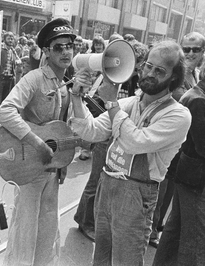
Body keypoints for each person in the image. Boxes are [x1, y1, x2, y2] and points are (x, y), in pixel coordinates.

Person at [69, 40, 191, 265]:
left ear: (174, 77)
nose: (150, 73)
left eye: (160, 70)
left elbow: (135, 142)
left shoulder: (179, 115)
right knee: (102, 259)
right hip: (107, 188)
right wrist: (76, 97)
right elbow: (91, 130)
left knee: (126, 261)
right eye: (148, 66)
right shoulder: (129, 103)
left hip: (136, 196)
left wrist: (112, 103)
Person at [0, 18, 76, 266]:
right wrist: (37, 142)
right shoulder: (34, 78)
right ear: (46, 51)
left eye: (69, 46)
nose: (65, 51)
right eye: (58, 47)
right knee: (25, 231)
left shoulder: (67, 83)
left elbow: (63, 128)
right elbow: (5, 111)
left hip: (51, 170)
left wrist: (63, 163)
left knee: (48, 228)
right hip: (29, 168)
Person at [149, 31, 205, 248]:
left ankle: (157, 228)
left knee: (170, 195)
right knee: (159, 192)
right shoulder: (173, 74)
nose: (190, 53)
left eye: (195, 49)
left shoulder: (196, 76)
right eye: (186, 49)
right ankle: (151, 231)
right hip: (169, 144)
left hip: (185, 152)